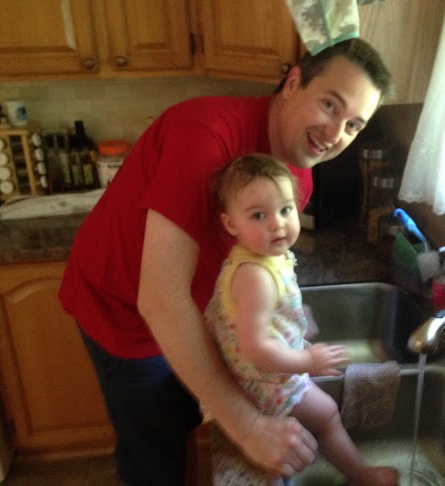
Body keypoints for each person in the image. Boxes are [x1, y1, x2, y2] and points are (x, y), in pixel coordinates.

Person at [59, 37, 393, 485]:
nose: (335, 135)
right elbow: (160, 301)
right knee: (156, 451)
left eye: (353, 125)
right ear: (293, 83)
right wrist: (248, 426)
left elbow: (257, 267)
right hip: (122, 309)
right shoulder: (203, 137)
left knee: (186, 417)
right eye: (329, 105)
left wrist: (285, 323)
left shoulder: (297, 171)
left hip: (197, 310)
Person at [205, 154, 398, 485]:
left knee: (316, 419)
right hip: (263, 382)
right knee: (326, 415)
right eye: (259, 215)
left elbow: (263, 315)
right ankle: (361, 476)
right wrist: (307, 361)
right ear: (231, 224)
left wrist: (297, 321)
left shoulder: (263, 256)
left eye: (285, 209)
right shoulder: (256, 277)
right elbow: (255, 347)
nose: (277, 224)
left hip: (263, 370)